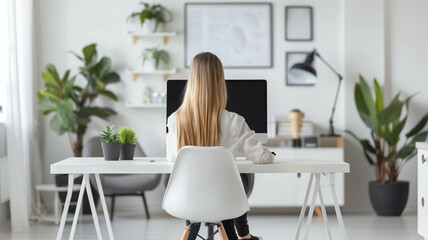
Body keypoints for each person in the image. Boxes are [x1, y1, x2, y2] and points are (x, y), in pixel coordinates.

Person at [166, 52, 273, 240]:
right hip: (225, 198)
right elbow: (261, 157)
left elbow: (172, 158)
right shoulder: (234, 121)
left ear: (192, 81)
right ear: (219, 82)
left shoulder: (175, 120)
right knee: (237, 177)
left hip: (188, 197)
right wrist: (270, 154)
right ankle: (244, 235)